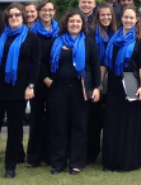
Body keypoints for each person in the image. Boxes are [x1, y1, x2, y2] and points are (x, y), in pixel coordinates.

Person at [0, 3, 41, 180]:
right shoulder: (0, 37)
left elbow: (35, 66)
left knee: (15, 131)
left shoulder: (32, 38)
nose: (14, 18)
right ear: (7, 18)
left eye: (17, 15)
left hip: (18, 91)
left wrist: (31, 86)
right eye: (11, 16)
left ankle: (10, 167)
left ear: (23, 17)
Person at [43, 9, 101, 175]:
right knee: (58, 127)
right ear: (66, 24)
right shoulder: (56, 41)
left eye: (78, 21)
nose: (74, 24)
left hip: (81, 89)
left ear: (82, 24)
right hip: (58, 90)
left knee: (79, 126)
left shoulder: (88, 42)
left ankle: (76, 162)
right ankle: (58, 163)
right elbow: (43, 63)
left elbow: (95, 67)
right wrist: (47, 79)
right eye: (71, 21)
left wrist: (96, 88)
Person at [100, 5, 141, 172]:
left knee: (129, 125)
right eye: (125, 17)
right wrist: (99, 83)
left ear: (136, 20)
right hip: (114, 85)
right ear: (121, 19)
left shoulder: (140, 39)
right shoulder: (114, 39)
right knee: (112, 124)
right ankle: (110, 162)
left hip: (132, 85)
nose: (128, 20)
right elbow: (105, 62)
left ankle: (127, 162)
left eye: (131, 18)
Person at [26, 0, 58, 168]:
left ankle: (50, 155)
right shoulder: (31, 33)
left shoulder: (60, 32)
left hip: (55, 81)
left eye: (50, 10)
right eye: (44, 10)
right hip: (37, 80)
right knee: (37, 118)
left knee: (53, 119)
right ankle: (34, 157)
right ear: (39, 12)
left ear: (55, 12)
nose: (47, 13)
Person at [85, 3, 118, 165]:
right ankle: (91, 152)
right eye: (102, 15)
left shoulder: (118, 34)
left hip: (113, 79)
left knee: (110, 119)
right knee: (93, 119)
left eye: (109, 15)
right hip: (95, 80)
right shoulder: (90, 34)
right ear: (97, 16)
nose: (106, 18)